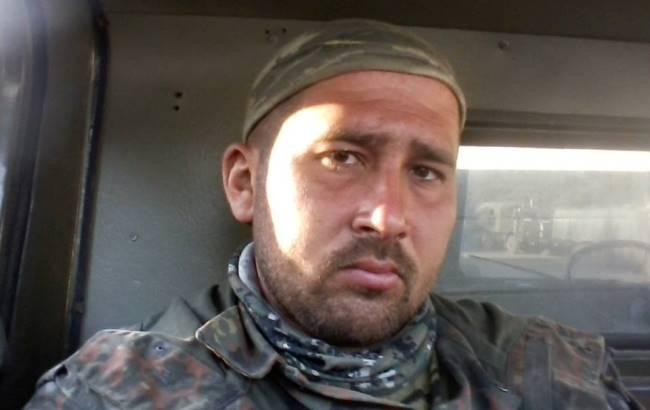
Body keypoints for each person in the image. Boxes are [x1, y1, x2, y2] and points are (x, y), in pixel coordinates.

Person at [26, 19, 642, 409]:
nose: (388, 218)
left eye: (426, 172)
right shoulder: (120, 392)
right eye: (342, 157)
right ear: (245, 184)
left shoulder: (553, 373)